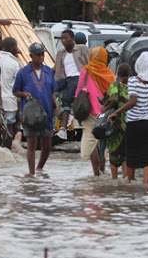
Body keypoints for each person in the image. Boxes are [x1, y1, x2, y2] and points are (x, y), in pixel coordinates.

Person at [109, 52, 148, 184]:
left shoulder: (133, 80)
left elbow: (133, 101)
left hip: (134, 123)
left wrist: (116, 112)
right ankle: (146, 184)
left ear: (139, 64)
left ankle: (131, 181)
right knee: (147, 154)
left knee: (131, 154)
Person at [13, 42, 59, 175]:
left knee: (47, 145)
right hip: (30, 113)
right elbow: (15, 91)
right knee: (31, 143)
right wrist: (24, 94)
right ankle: (31, 173)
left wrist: (56, 107)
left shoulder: (49, 71)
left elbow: (52, 92)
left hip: (47, 111)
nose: (41, 57)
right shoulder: (23, 73)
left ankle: (40, 168)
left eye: (42, 54)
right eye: (38, 55)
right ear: (31, 56)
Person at [74, 47, 115, 176]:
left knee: (91, 141)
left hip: (89, 111)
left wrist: (78, 115)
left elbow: (78, 92)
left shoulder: (85, 71)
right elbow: (113, 94)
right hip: (105, 112)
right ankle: (102, 170)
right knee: (102, 141)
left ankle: (96, 173)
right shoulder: (109, 74)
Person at [53, 29, 89, 140]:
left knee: (67, 99)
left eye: (66, 38)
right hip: (65, 78)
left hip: (78, 77)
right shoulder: (60, 53)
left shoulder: (82, 49)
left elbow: (89, 63)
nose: (64, 41)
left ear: (72, 39)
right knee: (50, 90)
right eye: (62, 39)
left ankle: (63, 129)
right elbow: (55, 69)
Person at [103, 63, 132, 179]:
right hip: (128, 125)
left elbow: (114, 98)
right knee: (125, 155)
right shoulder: (132, 87)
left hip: (116, 124)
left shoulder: (115, 85)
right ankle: (126, 179)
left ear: (118, 74)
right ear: (130, 74)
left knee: (114, 154)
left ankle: (114, 180)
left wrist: (105, 108)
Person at [0, 37, 23, 149]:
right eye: (15, 46)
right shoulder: (15, 63)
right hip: (10, 101)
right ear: (11, 47)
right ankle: (7, 152)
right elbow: (20, 83)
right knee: (9, 127)